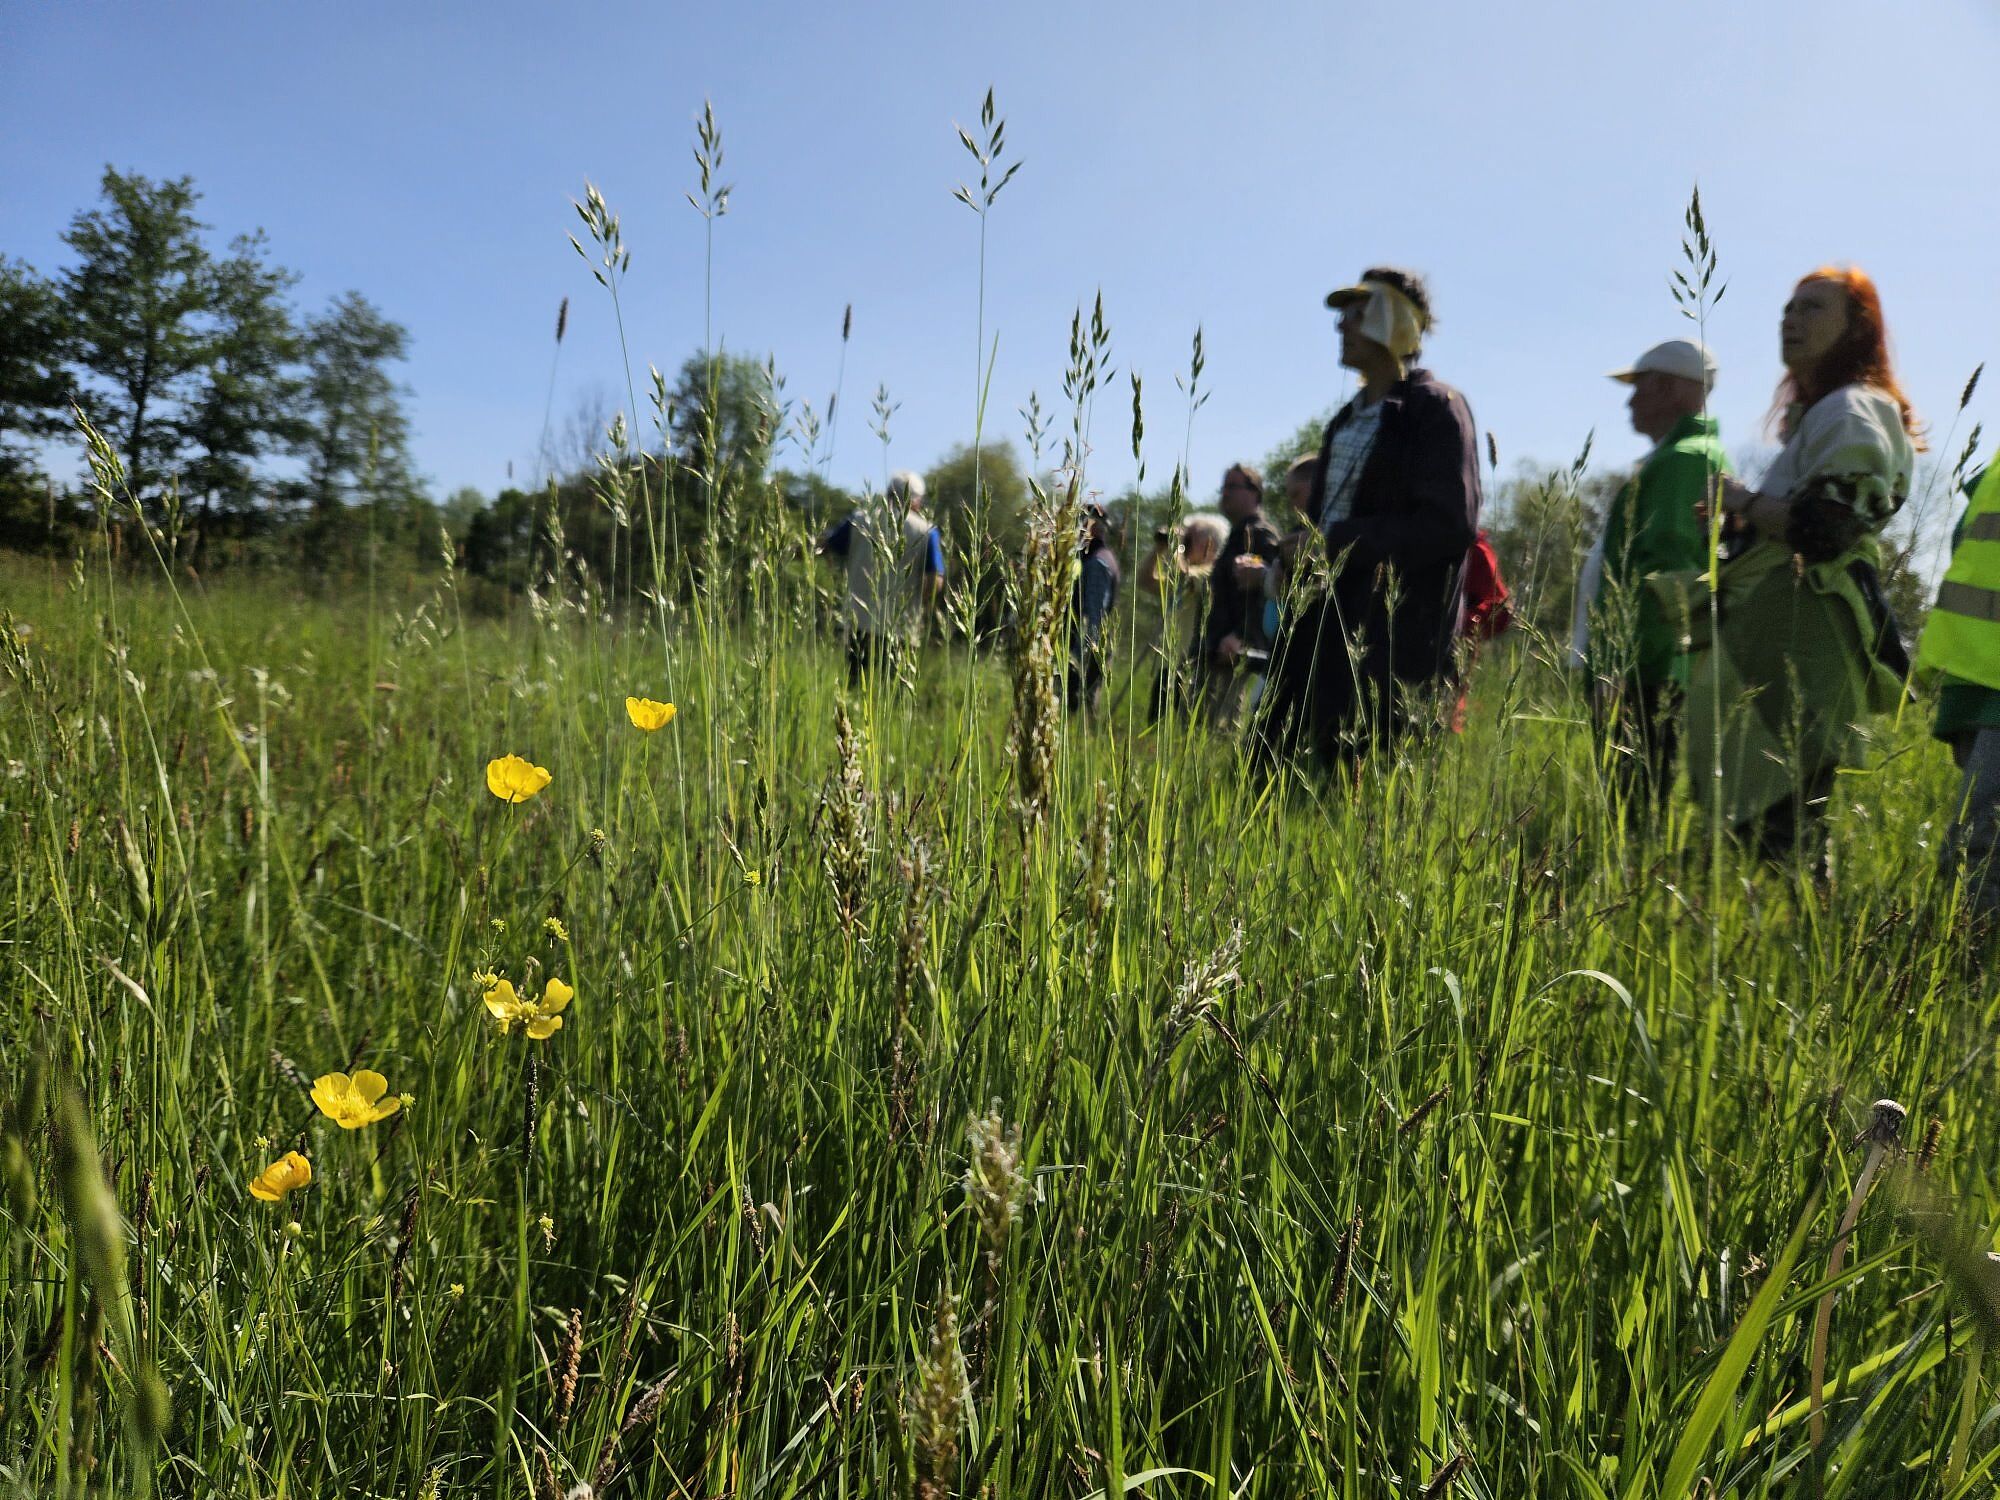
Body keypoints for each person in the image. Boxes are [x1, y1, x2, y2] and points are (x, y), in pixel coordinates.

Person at [1658, 266, 1921, 864]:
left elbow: (1828, 529)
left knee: (1782, 835)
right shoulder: (1830, 411)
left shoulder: (1853, 407)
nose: (1790, 319)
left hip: (1805, 639)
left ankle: (1802, 950)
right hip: (1785, 638)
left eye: (1812, 308)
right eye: (1787, 309)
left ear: (1859, 329)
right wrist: (1743, 525)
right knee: (1769, 835)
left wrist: (1743, 499)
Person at [1260, 266, 1482, 766]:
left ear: (1394, 320)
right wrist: (1299, 551)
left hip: (1389, 639)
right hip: (1319, 626)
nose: (1341, 327)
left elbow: (1448, 526)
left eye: (1357, 314)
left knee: (1365, 785)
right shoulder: (1347, 417)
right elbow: (1331, 519)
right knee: (1278, 771)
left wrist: (1335, 541)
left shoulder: (1436, 409)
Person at [1572, 339, 1729, 807]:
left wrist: (1620, 668)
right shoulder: (1676, 457)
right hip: (1646, 666)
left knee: (1633, 807)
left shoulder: (1685, 460)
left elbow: (1667, 580)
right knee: (1635, 803)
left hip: (1646, 671)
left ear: (1669, 388)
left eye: (1639, 386)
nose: (1629, 400)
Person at [1914, 452, 2000, 922]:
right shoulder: (1994, 471)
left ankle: (1969, 969)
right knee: (1976, 843)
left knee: (1978, 844)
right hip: (1978, 683)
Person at [818, 470, 945, 686]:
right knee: (894, 697)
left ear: (888, 494)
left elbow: (825, 547)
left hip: (859, 623)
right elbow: (936, 580)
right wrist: (919, 605)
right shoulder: (927, 531)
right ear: (916, 500)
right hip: (902, 629)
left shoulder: (859, 519)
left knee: (855, 690)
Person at [1203, 464, 1284, 726]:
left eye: (1232, 487)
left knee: (1220, 732)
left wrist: (1241, 636)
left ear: (1255, 493)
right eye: (1223, 487)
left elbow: (1271, 591)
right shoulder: (1236, 536)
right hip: (1219, 652)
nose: (1224, 493)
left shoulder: (1260, 535)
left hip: (1238, 656)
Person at [1143, 511, 1229, 722]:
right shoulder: (1187, 571)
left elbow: (1183, 576)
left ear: (1210, 543)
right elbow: (1145, 581)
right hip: (1169, 661)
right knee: (1156, 725)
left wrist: (1176, 546)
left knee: (1180, 726)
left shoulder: (1212, 573)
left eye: (1192, 538)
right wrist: (1159, 548)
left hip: (1191, 663)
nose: (1187, 542)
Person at [1067, 501, 1121, 713]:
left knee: (1079, 710)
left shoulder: (1098, 562)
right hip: (1087, 649)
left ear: (1095, 528)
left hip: (1086, 651)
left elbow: (1095, 615)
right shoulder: (1096, 558)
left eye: (1082, 523)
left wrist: (1080, 658)